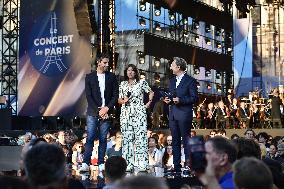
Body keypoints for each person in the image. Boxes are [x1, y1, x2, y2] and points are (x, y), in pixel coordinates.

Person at [80, 53, 119, 173]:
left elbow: (115, 95)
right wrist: (99, 111)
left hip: (106, 112)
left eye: (108, 63)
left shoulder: (112, 77)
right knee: (90, 137)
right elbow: (89, 96)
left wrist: (106, 108)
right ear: (99, 62)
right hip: (93, 112)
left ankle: (101, 162)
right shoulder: (89, 77)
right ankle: (86, 163)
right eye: (105, 62)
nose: (107, 65)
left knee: (103, 138)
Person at [163, 57, 198, 173]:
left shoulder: (190, 80)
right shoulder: (172, 80)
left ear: (178, 67)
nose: (170, 67)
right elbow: (172, 95)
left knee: (186, 141)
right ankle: (176, 166)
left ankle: (189, 166)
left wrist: (181, 100)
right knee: (175, 141)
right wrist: (168, 99)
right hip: (173, 114)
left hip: (184, 114)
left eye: (172, 65)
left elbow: (194, 98)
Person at [118, 64, 154, 173]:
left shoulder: (141, 82)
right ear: (126, 72)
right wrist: (123, 101)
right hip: (125, 114)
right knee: (127, 139)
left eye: (132, 70)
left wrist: (148, 103)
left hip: (139, 113)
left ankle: (143, 164)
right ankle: (128, 165)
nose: (130, 72)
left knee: (141, 139)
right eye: (128, 70)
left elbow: (151, 92)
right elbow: (119, 99)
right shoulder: (123, 84)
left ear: (135, 72)